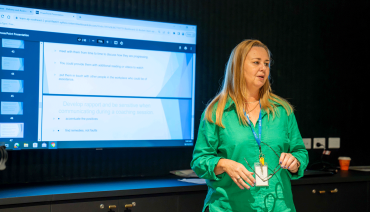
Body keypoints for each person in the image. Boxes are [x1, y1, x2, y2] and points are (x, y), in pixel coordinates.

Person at [191, 39, 308, 212]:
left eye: (267, 64)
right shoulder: (216, 112)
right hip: (230, 207)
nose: (263, 68)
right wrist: (224, 164)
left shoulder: (282, 111)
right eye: (256, 62)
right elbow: (199, 161)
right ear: (238, 67)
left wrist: (295, 161)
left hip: (278, 206)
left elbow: (300, 152)